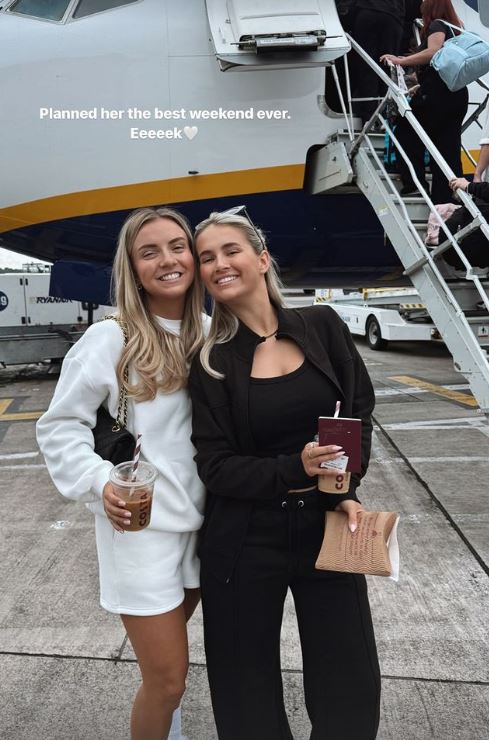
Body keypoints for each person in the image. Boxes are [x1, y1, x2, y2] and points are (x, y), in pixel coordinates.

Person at [188, 207, 381, 740]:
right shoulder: (211, 361)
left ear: (261, 258)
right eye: (207, 258)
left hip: (326, 523)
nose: (219, 264)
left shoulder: (323, 326)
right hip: (245, 535)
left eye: (231, 251)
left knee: (350, 679)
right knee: (243, 684)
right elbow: (216, 466)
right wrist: (292, 467)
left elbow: (358, 411)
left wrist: (345, 488)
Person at [36, 206, 210, 740]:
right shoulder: (111, 338)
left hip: (206, 524)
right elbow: (59, 426)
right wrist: (100, 480)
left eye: (177, 246)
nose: (168, 260)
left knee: (171, 667)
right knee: (167, 680)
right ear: (132, 269)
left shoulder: (212, 330)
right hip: (141, 530)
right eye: (149, 251)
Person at [380, 0, 469, 203]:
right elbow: (444, 64)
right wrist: (418, 82)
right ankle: (447, 200)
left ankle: (414, 184)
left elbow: (434, 52)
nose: (420, 6)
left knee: (405, 128)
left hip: (437, 96)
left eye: (423, 3)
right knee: (447, 147)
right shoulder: (458, 28)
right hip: (456, 94)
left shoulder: (438, 24)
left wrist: (401, 60)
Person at [350, 0, 405, 125]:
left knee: (367, 66)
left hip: (367, 11)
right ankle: (387, 115)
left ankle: (369, 116)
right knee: (388, 67)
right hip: (393, 16)